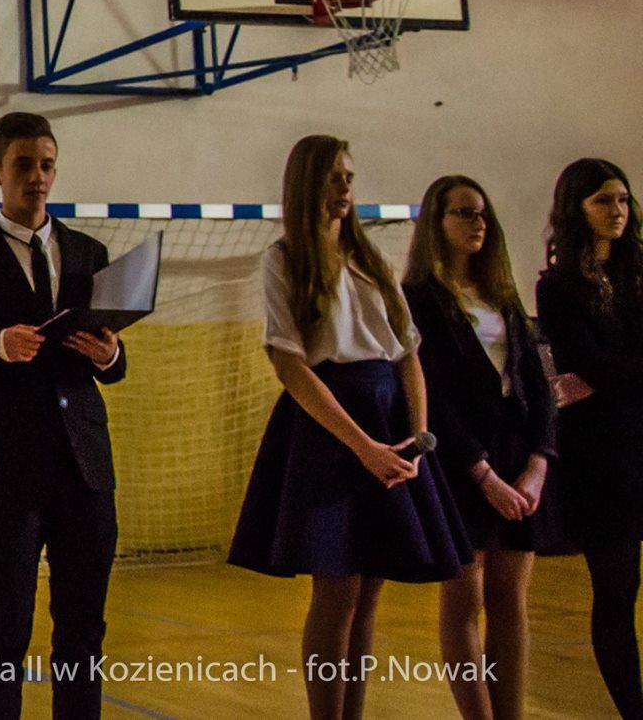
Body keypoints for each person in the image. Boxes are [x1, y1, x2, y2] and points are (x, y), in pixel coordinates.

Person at [229, 135, 468, 720]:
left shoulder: (372, 258)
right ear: (306, 182)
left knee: (369, 589)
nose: (344, 187)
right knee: (336, 589)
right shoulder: (284, 259)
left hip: (389, 419)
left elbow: (408, 353)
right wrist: (363, 447)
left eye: (350, 177)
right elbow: (290, 364)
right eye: (333, 176)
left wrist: (417, 437)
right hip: (329, 429)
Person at [0, 112, 125, 720]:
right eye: (23, 165)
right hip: (10, 471)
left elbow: (111, 362)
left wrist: (111, 355)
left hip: (85, 469)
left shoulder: (89, 252)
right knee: (4, 629)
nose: (37, 177)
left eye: (46, 165)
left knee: (83, 629)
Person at [404, 176, 556, 720]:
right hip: (459, 463)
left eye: (483, 214)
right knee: (464, 601)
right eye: (464, 213)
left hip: (517, 457)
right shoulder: (419, 299)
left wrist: (537, 464)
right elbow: (434, 396)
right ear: (437, 222)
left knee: (510, 601)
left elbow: (539, 385)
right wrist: (482, 473)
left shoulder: (503, 294)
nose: (478, 224)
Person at [537, 158, 643, 719]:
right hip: (601, 459)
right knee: (617, 591)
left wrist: (605, 377)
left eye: (623, 199)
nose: (617, 211)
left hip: (635, 437)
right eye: (603, 200)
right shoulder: (557, 286)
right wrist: (607, 374)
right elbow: (584, 361)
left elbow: (599, 373)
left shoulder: (639, 273)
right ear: (576, 208)